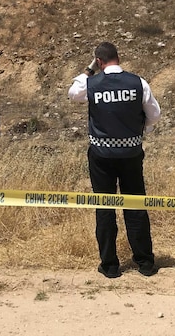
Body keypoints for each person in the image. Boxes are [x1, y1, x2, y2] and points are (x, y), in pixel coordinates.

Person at [68, 41, 161, 278]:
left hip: (101, 156)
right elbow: (154, 114)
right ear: (118, 58)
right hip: (131, 154)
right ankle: (145, 263)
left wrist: (89, 70)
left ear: (99, 62)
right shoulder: (138, 83)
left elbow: (73, 94)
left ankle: (110, 266)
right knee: (136, 207)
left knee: (105, 208)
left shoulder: (91, 83)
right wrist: (141, 131)